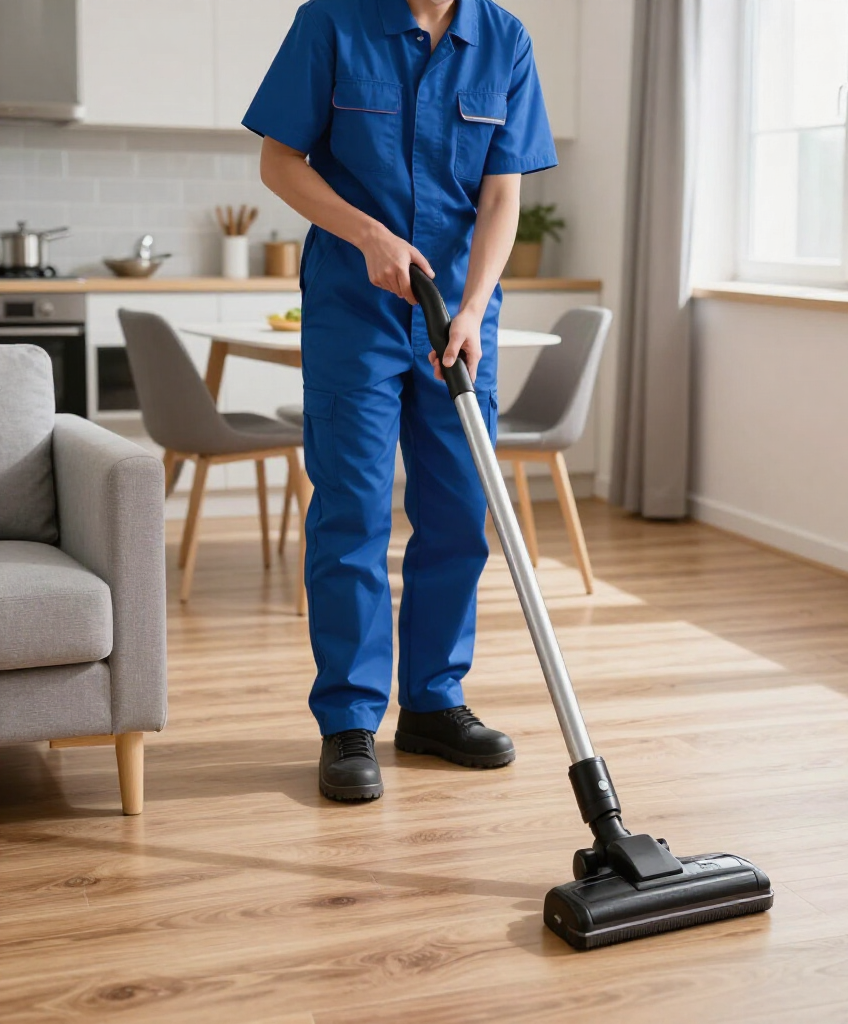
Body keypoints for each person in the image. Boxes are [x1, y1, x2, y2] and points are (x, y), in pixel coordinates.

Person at [243, 0, 557, 801]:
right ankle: (348, 720)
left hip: (456, 313)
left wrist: (476, 306)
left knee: (457, 512)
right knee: (351, 511)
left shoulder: (505, 39)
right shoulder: (333, 23)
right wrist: (368, 235)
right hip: (356, 306)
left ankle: (433, 703)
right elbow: (280, 164)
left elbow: (501, 195)